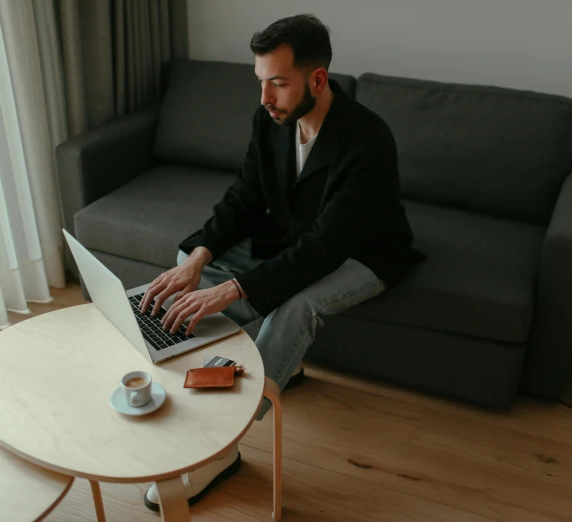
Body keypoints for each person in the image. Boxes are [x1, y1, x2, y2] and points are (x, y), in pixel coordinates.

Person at [139, 14, 424, 513]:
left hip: (366, 251)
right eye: (260, 82)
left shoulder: (367, 140)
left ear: (316, 79)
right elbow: (244, 197)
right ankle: (207, 372)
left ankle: (220, 449)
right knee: (188, 256)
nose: (265, 98)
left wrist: (232, 290)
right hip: (297, 238)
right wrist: (201, 256)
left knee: (296, 306)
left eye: (277, 83)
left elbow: (325, 249)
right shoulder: (269, 121)